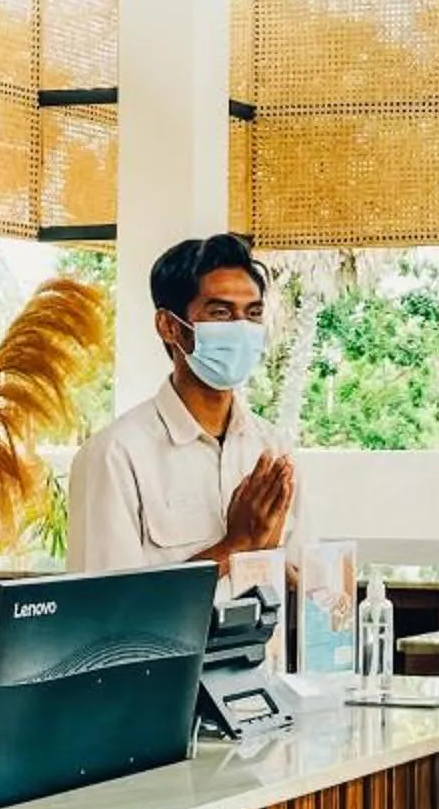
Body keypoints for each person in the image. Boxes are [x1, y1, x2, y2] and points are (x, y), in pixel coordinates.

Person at [68, 232, 302, 582]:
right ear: (169, 326)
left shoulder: (272, 449)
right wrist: (234, 547)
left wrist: (292, 573)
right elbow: (108, 614)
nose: (241, 329)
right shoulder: (116, 456)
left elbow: (304, 582)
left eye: (252, 314)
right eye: (221, 312)